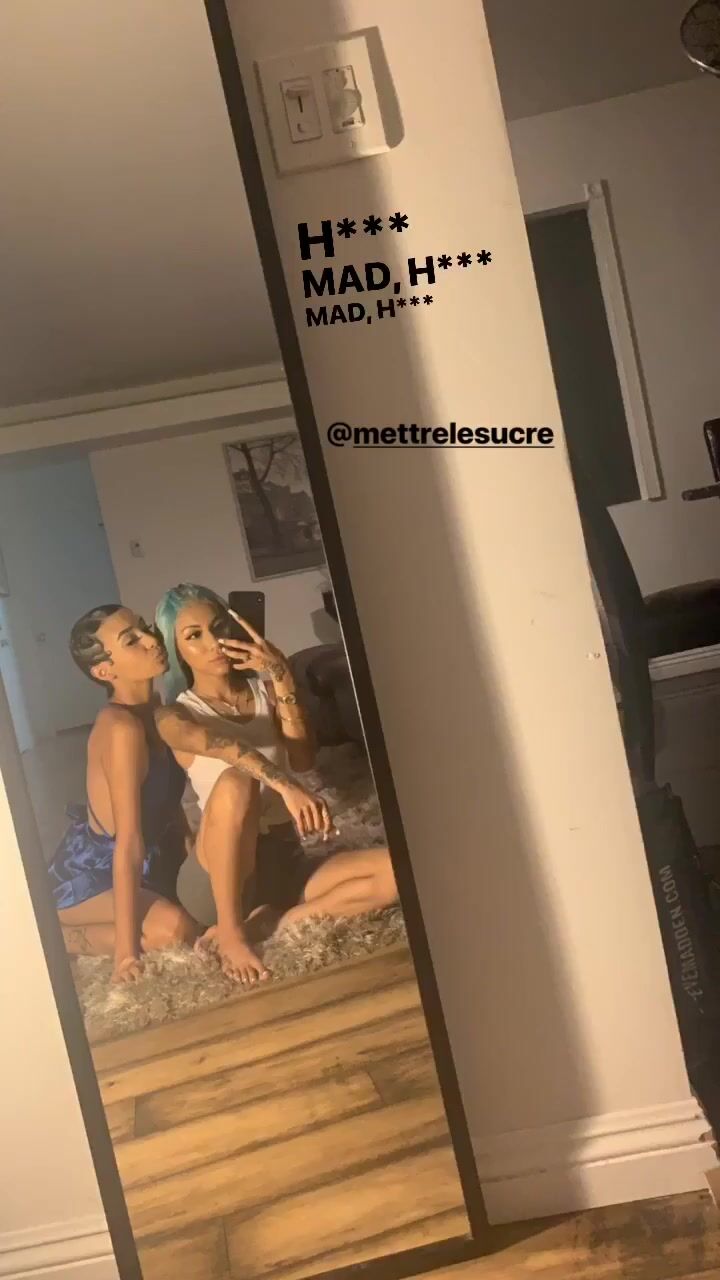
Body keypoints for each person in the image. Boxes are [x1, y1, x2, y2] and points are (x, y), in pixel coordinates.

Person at [153, 584, 398, 986]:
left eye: (219, 627)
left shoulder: (264, 691)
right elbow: (226, 748)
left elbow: (303, 759)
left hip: (283, 859)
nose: (213, 643)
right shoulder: (174, 715)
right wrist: (284, 785)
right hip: (219, 875)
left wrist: (281, 674)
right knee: (237, 782)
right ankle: (230, 931)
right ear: (177, 650)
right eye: (194, 636)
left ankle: (276, 921)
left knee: (396, 872)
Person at [49, 606, 199, 984]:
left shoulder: (158, 711)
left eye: (145, 629)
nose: (152, 640)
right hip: (96, 872)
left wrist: (196, 856)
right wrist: (126, 953)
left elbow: (170, 807)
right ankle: (54, 936)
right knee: (175, 930)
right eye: (132, 640)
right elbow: (127, 841)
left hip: (150, 857)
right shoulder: (122, 729)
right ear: (104, 671)